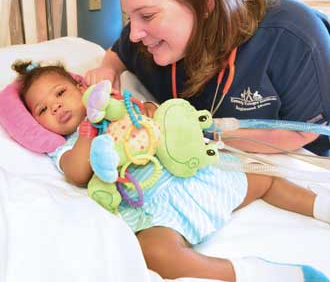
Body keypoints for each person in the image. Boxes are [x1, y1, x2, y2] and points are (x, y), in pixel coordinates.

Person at [12, 60, 330, 282]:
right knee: (154, 254)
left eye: (59, 93)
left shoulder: (122, 105)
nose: (54, 106)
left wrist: (146, 111)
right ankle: (253, 274)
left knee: (262, 174)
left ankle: (319, 205)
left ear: (81, 87)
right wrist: (89, 127)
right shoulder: (64, 146)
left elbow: (159, 120)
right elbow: (77, 173)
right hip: (155, 209)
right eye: (42, 109)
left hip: (191, 177)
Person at [85, 0, 330, 157]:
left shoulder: (291, 38)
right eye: (130, 16)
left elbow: (302, 132)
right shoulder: (147, 40)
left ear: (204, 1)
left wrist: (197, 132)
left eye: (147, 16)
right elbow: (118, 53)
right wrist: (107, 68)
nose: (134, 34)